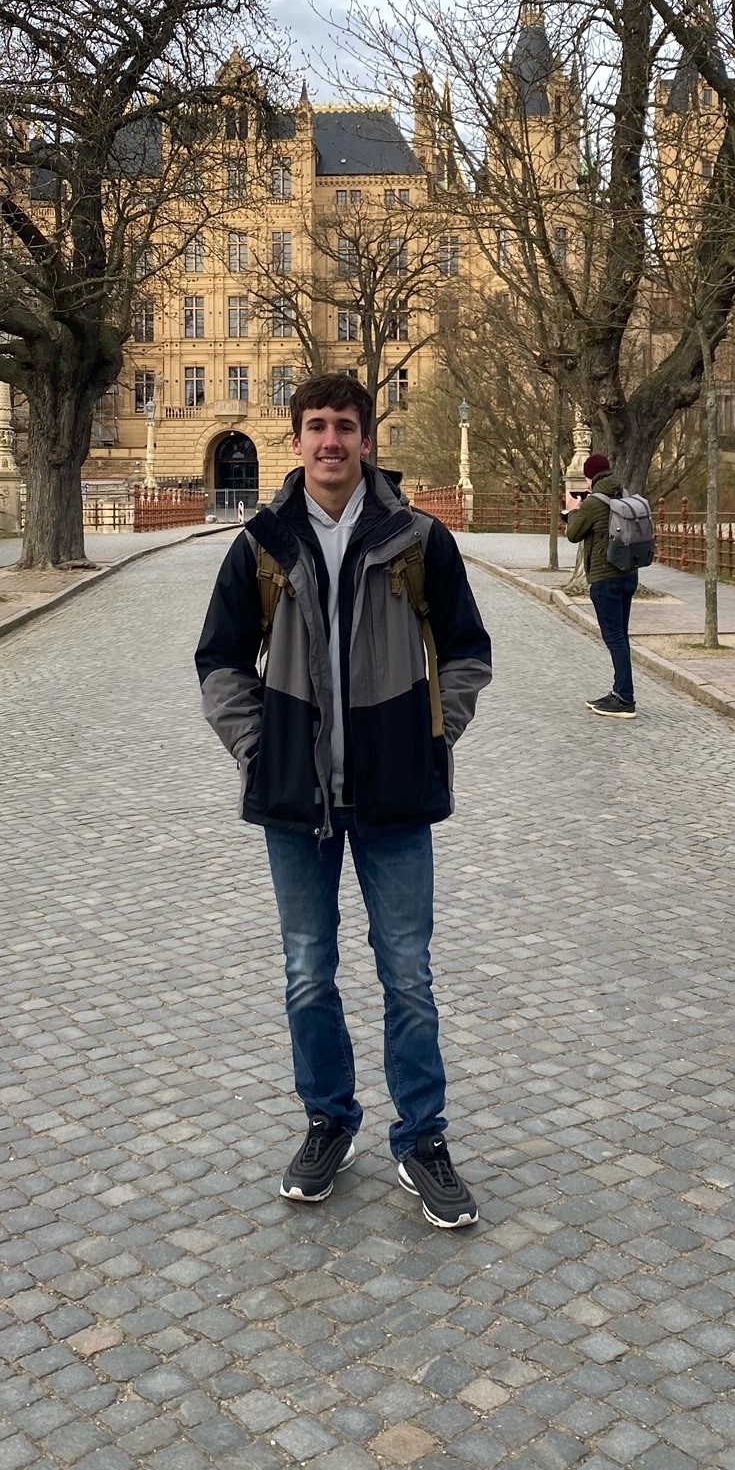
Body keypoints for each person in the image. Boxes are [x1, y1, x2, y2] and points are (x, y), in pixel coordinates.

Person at [195, 373, 493, 1227]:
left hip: (394, 796)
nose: (331, 442)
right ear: (296, 440)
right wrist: (261, 752)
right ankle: (329, 1120)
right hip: (297, 801)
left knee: (409, 976)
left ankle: (422, 1137)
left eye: (346, 427)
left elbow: (469, 650)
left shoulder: (415, 539)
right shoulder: (260, 544)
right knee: (307, 975)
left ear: (367, 439)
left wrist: (433, 737)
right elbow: (218, 663)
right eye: (317, 426)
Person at [565, 451, 638, 718]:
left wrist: (573, 511)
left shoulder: (594, 502)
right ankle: (619, 691)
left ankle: (625, 699)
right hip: (628, 575)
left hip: (605, 579)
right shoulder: (624, 494)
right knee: (621, 635)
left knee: (614, 638)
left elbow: (574, 534)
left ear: (589, 477)